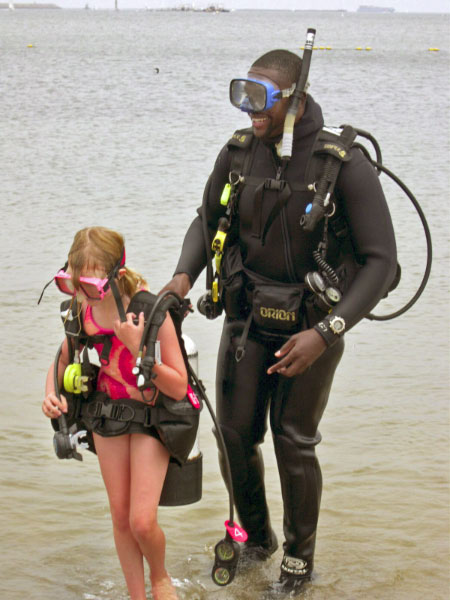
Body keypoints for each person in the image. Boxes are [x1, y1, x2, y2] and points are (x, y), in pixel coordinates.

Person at [162, 49, 397, 595]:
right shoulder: (240, 154)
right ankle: (257, 540)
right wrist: (182, 276)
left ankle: (298, 561)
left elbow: (382, 261)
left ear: (295, 97)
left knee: (294, 441)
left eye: (262, 98)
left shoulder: (342, 164)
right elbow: (208, 218)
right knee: (234, 436)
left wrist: (325, 333)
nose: (250, 111)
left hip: (311, 327)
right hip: (246, 320)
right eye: (243, 94)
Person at [42, 226, 187, 600]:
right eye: (72, 285)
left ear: (116, 276)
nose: (82, 296)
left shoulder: (150, 311)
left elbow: (178, 387)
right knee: (121, 519)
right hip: (108, 415)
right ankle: (137, 595)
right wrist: (50, 395)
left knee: (142, 520)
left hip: (151, 414)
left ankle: (159, 577)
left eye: (91, 286)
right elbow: (63, 357)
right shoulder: (81, 307)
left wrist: (139, 349)